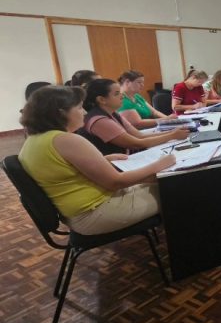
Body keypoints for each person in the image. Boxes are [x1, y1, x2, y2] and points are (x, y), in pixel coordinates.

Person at [18, 86, 177, 235]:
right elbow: (116, 182)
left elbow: (61, 171)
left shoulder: (32, 141)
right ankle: (186, 253)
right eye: (79, 107)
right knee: (177, 189)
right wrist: (159, 164)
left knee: (157, 181)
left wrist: (103, 160)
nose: (85, 112)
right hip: (95, 213)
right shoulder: (65, 140)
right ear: (61, 113)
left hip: (78, 213)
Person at [81, 79, 188, 155]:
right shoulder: (99, 121)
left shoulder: (112, 113)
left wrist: (174, 132)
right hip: (116, 166)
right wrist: (172, 135)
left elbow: (139, 136)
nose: (122, 96)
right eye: (117, 93)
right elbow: (135, 143)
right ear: (101, 99)